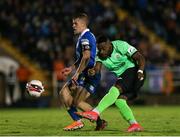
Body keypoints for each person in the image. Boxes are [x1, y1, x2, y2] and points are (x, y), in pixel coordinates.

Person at [76, 35, 146, 132]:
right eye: (99, 49)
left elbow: (140, 57)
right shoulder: (99, 54)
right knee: (119, 100)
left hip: (135, 72)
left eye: (103, 49)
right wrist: (92, 71)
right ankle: (134, 124)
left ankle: (95, 112)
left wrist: (140, 71)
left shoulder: (121, 45)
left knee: (116, 88)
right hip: (126, 78)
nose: (101, 52)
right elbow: (97, 68)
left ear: (109, 44)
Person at [59, 13, 107, 131]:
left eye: (76, 23)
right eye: (72, 23)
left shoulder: (85, 37)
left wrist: (76, 74)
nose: (73, 26)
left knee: (72, 98)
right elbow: (82, 58)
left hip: (90, 74)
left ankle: (79, 121)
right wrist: (72, 68)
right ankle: (96, 122)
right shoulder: (85, 36)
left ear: (83, 23)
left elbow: (86, 57)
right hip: (85, 73)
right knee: (71, 98)